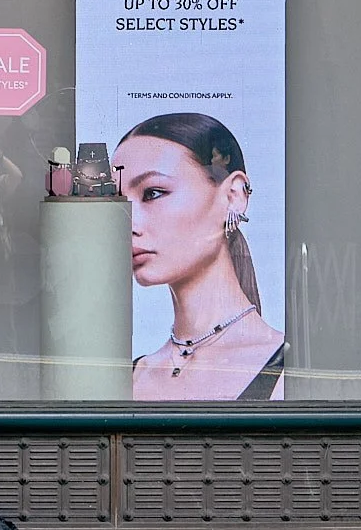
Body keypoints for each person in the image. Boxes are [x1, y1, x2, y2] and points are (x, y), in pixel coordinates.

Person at [113, 112, 284, 401]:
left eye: (153, 193)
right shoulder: (130, 376)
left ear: (233, 195)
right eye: (117, 203)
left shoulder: (290, 372)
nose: (128, 223)